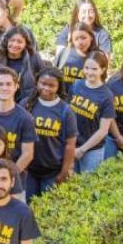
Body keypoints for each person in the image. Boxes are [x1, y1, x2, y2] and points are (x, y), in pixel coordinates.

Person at [24, 68, 77, 197]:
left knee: (47, 210)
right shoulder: (26, 104)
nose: (46, 88)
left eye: (51, 85)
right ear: (37, 82)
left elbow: (70, 145)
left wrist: (64, 172)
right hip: (29, 170)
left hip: (52, 171)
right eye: (43, 83)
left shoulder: (65, 111)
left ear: (58, 87)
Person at [69, 52, 115, 173]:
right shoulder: (76, 85)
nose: (89, 72)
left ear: (103, 69)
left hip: (92, 150)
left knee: (87, 187)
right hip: (72, 145)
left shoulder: (106, 95)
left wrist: (82, 149)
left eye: (94, 69)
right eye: (86, 68)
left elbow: (103, 130)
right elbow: (68, 114)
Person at [0, 27, 42, 101]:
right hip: (0, 103)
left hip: (26, 104)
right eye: (12, 40)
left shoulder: (33, 58)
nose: (15, 44)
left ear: (25, 44)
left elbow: (43, 79)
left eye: (19, 42)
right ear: (6, 41)